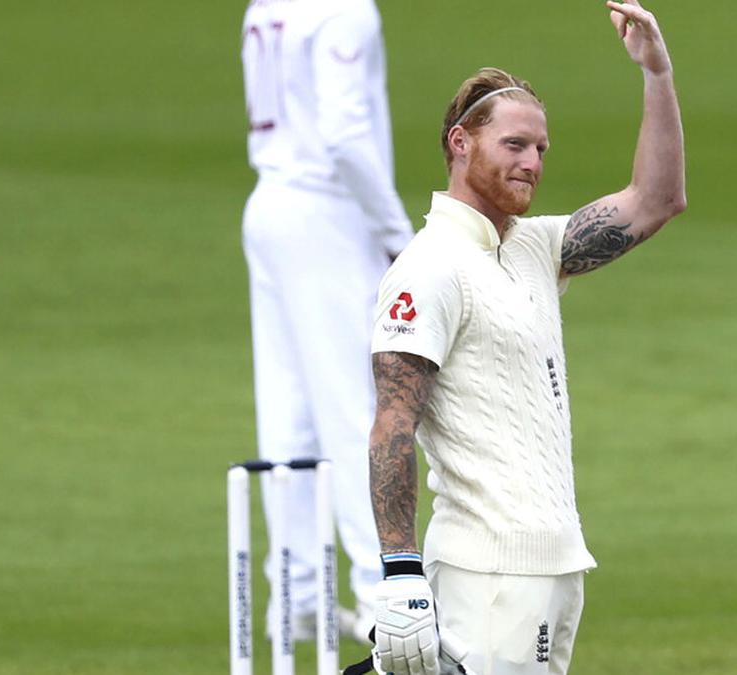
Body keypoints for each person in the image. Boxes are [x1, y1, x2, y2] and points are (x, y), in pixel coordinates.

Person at [363, 1, 686, 673]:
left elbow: (657, 199)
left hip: (554, 567)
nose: (533, 162)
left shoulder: (536, 247)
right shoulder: (428, 268)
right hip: (488, 575)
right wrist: (399, 571)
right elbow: (394, 419)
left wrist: (656, 72)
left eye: (541, 148)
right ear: (461, 142)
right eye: (515, 144)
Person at [239, 0, 413, 643]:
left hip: (270, 205)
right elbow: (343, 133)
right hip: (329, 213)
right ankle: (380, 599)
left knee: (288, 411)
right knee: (359, 407)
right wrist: (396, 235)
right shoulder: (345, 10)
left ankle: (298, 593)